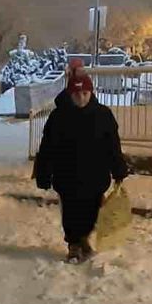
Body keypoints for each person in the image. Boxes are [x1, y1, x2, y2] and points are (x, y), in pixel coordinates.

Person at [33, 75, 128, 263]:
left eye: (85, 93)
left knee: (92, 211)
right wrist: (43, 172)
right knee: (71, 212)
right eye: (77, 94)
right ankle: (74, 244)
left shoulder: (103, 115)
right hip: (66, 175)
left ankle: (84, 238)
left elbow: (112, 146)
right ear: (70, 94)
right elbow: (47, 147)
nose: (81, 98)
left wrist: (118, 168)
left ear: (91, 92)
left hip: (95, 175)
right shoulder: (58, 116)